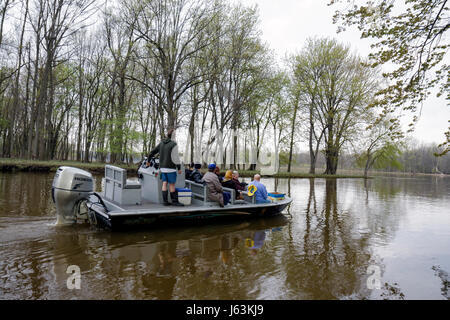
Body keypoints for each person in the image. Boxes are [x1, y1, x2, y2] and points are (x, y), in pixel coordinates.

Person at [147, 128, 183, 206]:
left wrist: (148, 161)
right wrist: (179, 168)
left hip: (162, 168)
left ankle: (165, 202)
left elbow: (152, 152)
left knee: (164, 183)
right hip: (170, 168)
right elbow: (176, 157)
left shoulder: (161, 143)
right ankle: (174, 201)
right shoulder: (174, 144)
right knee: (172, 184)